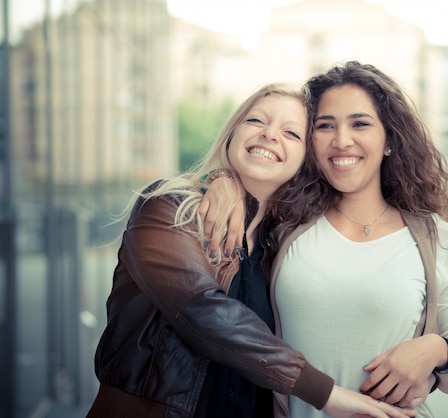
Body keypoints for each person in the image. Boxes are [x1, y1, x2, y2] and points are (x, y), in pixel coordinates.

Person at [86, 83, 416, 418]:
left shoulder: (285, 244)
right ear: (232, 135)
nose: (270, 135)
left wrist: (437, 351)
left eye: (291, 132)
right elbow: (205, 312)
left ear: (307, 159)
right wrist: (325, 393)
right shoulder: (169, 208)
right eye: (257, 121)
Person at [200, 62, 448, 418]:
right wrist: (221, 179)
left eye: (360, 124)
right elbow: (251, 171)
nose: (341, 140)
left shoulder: (435, 235)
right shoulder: (284, 222)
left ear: (390, 140)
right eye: (325, 126)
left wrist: (438, 351)